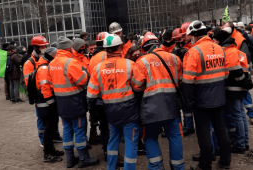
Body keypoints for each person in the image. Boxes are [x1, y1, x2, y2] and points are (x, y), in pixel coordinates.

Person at [182, 20, 231, 170]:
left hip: (201, 100)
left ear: (195, 36)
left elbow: (188, 80)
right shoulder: (221, 49)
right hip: (218, 98)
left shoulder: (194, 52)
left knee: (203, 134)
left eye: (191, 36)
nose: (190, 38)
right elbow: (226, 74)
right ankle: (225, 162)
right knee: (221, 130)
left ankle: (205, 164)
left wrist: (188, 102)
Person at [131, 33, 185, 170]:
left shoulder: (142, 61)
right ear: (159, 43)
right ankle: (178, 166)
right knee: (174, 136)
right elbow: (180, 81)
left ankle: (156, 167)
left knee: (150, 137)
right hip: (171, 105)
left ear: (144, 48)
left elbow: (137, 86)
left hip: (150, 107)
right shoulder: (174, 58)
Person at [87, 33, 139, 170]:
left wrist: (93, 116)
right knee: (131, 143)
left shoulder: (98, 68)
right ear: (120, 47)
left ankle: (111, 167)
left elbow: (91, 95)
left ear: (105, 49)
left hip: (110, 111)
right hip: (130, 111)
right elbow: (139, 86)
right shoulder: (130, 65)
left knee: (112, 140)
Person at [48, 36, 99, 168]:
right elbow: (82, 80)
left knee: (67, 129)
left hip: (61, 102)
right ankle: (83, 158)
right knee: (80, 130)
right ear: (69, 48)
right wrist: (84, 72)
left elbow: (50, 83)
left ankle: (70, 158)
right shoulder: (71, 62)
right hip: (75, 101)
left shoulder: (52, 63)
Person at [213, 27, 250, 154]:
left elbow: (234, 71)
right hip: (241, 87)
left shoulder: (227, 52)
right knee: (241, 115)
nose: (214, 42)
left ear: (220, 40)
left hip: (233, 88)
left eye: (215, 40)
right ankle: (244, 142)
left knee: (237, 116)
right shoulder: (236, 50)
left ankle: (240, 144)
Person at [31, 47, 65, 162]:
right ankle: (48, 154)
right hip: (45, 104)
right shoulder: (44, 68)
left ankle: (51, 150)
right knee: (48, 129)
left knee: (49, 128)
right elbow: (45, 88)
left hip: (44, 103)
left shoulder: (44, 66)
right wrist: (52, 104)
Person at [224, 21, 253, 125]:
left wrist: (243, 75)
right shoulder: (229, 38)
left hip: (240, 71)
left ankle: (251, 114)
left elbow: (245, 56)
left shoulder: (239, 38)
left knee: (245, 93)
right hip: (234, 71)